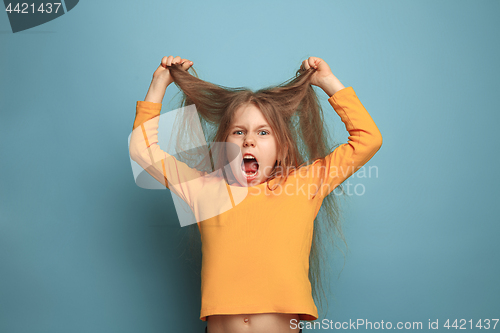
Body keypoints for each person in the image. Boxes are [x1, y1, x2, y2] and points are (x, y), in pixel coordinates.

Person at [129, 55, 383, 333]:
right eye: (239, 132)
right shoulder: (203, 188)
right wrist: (159, 84)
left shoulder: (304, 185)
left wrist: (327, 82)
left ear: (282, 149)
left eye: (263, 133)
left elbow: (367, 138)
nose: (249, 140)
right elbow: (143, 151)